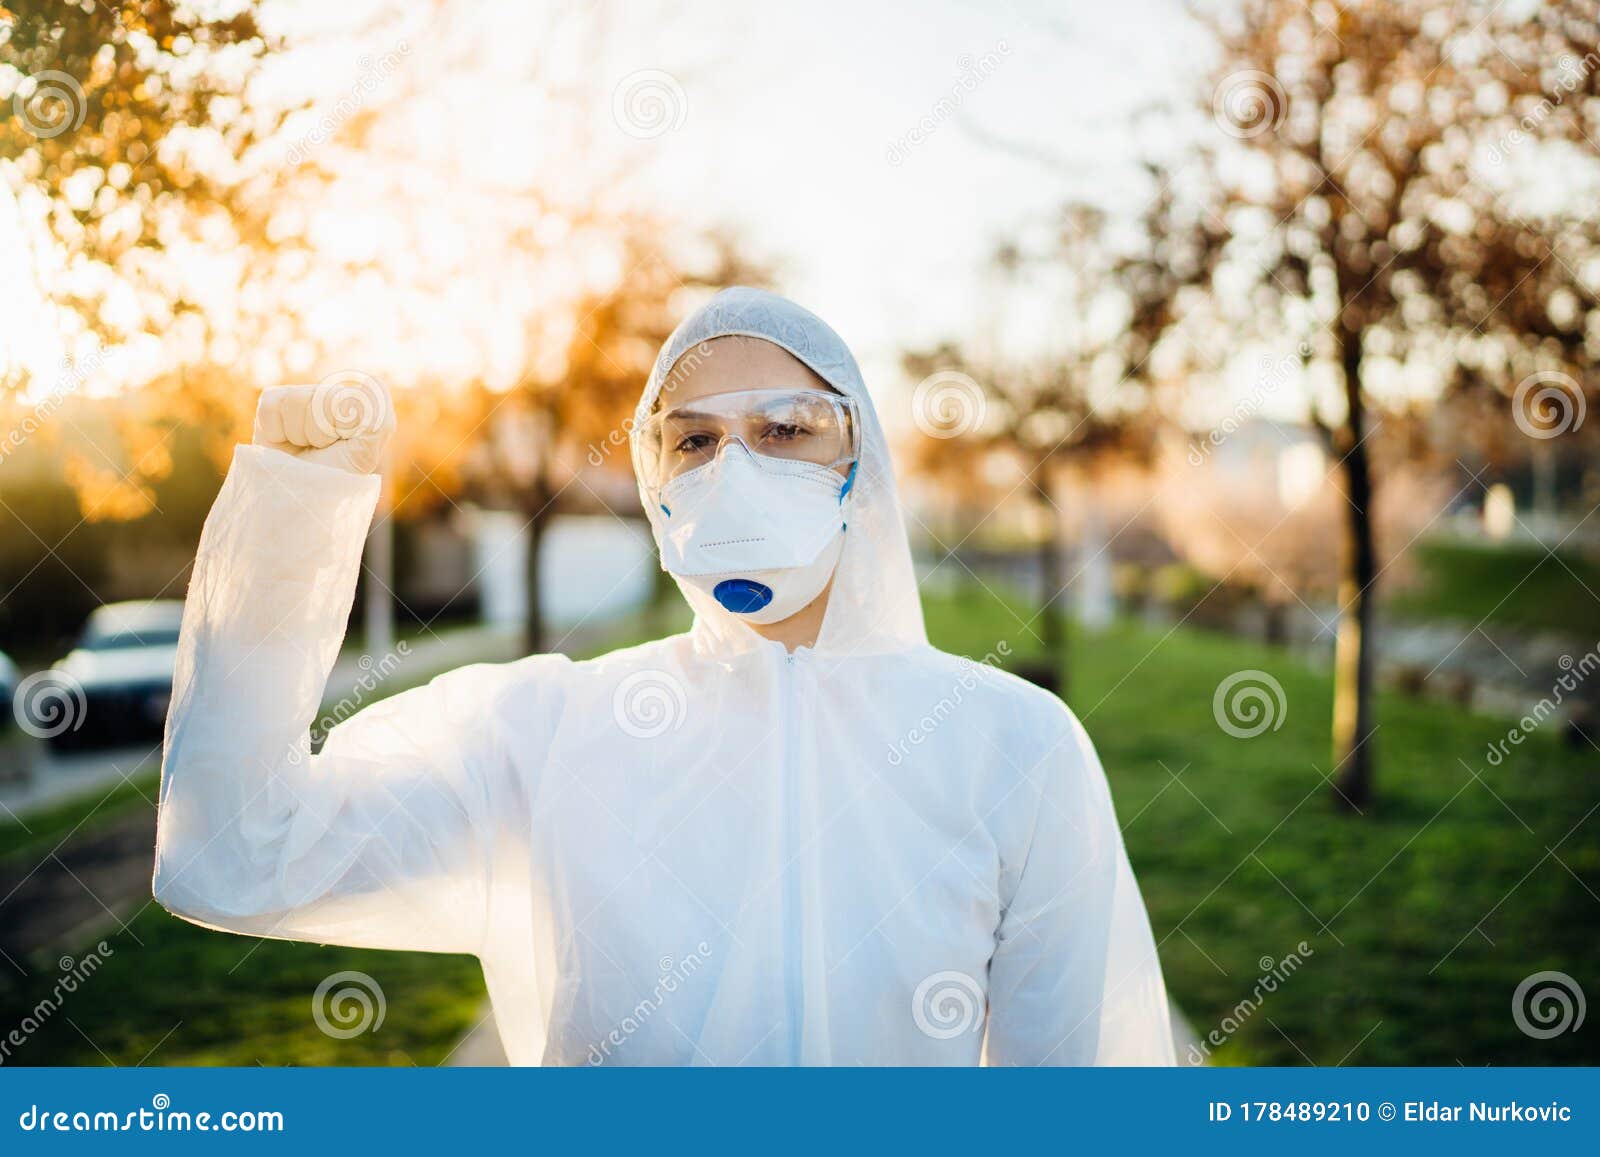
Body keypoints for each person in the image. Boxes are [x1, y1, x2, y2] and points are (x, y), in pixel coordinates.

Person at [153, 287, 1175, 1066]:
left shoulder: (1008, 743)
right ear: (654, 479)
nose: (734, 467)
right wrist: (292, 518)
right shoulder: (542, 732)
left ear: (858, 458)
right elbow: (237, 851)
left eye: (783, 428)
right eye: (694, 438)